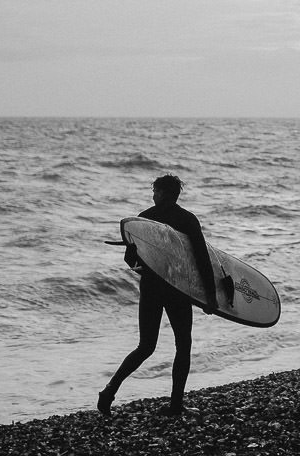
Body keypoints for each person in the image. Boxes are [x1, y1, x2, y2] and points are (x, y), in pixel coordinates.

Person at [98, 174, 218, 417]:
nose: (153, 195)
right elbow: (202, 261)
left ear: (162, 193)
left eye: (155, 191)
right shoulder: (187, 220)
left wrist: (139, 262)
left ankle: (109, 392)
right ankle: (175, 405)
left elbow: (130, 259)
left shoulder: (144, 219)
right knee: (183, 345)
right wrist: (210, 297)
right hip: (178, 290)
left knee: (146, 346)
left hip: (152, 288)